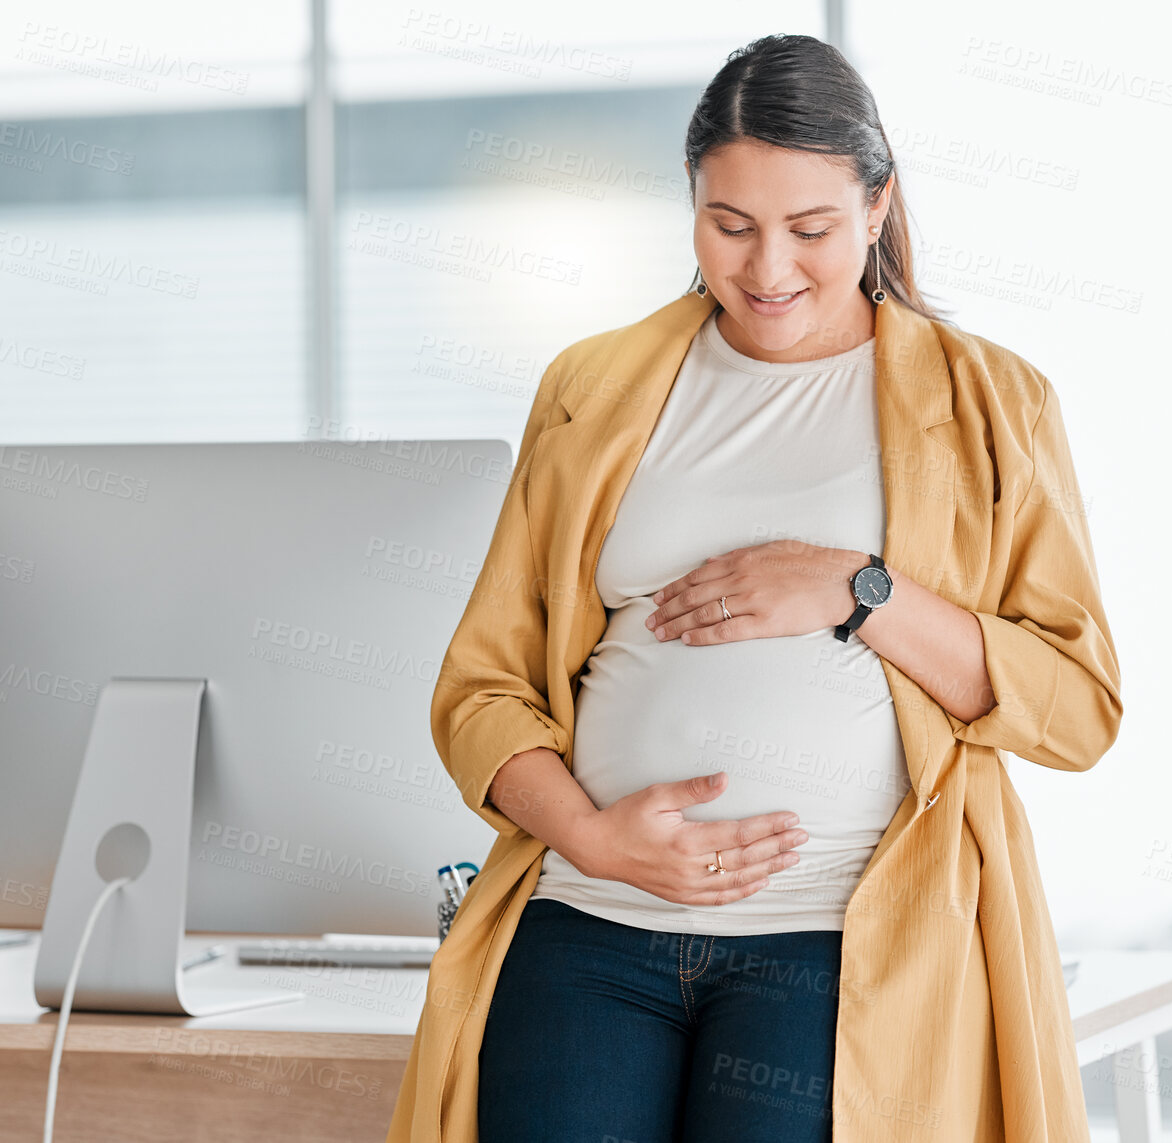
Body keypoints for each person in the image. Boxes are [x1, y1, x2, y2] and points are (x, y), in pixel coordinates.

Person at [387, 31, 1122, 1143]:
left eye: (809, 228)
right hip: (586, 926)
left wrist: (856, 589)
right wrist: (589, 837)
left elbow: (1075, 708)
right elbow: (480, 691)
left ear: (877, 208)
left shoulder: (991, 403)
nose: (766, 267)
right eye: (728, 226)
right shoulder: (592, 387)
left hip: (830, 947)